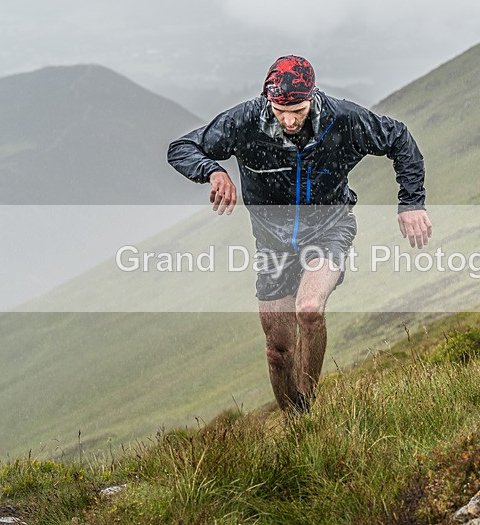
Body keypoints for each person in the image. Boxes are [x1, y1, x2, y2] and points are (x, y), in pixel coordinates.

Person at [167, 55, 432, 413]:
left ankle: (309, 405)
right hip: (272, 245)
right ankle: (296, 424)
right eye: (280, 111)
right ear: (268, 100)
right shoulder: (246, 120)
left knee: (308, 309)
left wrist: (411, 202)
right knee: (277, 351)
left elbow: (399, 138)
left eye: (299, 110)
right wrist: (213, 171)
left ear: (312, 95)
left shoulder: (343, 119)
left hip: (329, 229)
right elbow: (182, 147)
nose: (290, 120)